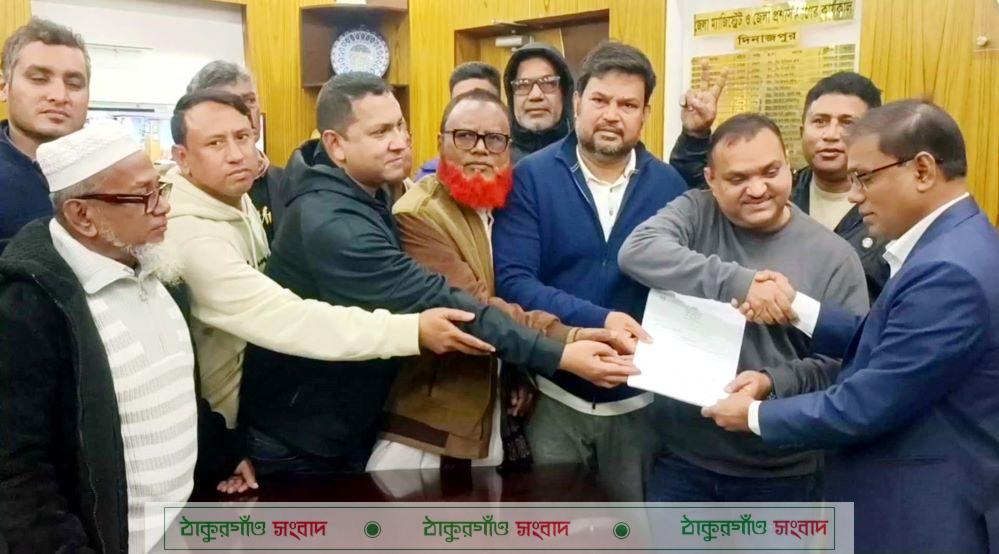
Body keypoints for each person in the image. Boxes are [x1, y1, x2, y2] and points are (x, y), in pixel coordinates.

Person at [238, 72, 636, 477]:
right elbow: (460, 306)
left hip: (350, 420)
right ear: (336, 145)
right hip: (306, 434)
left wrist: (526, 367)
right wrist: (564, 349)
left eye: (399, 126)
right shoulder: (356, 220)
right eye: (380, 132)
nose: (398, 142)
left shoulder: (380, 193)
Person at [703, 100, 999, 553]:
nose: (855, 196)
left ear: (922, 170)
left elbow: (866, 405)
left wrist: (754, 416)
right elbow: (891, 340)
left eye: (864, 177)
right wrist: (797, 308)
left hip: (922, 517)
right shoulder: (957, 244)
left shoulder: (948, 271)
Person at [163, 89, 493, 428]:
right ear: (182, 157)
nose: (236, 155)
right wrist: (411, 330)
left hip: (255, 408)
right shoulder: (192, 236)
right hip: (219, 425)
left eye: (243, 136)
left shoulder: (233, 198)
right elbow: (288, 318)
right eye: (215, 143)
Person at [0, 120, 247, 553]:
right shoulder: (29, 305)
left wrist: (224, 455)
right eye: (143, 196)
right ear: (82, 215)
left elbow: (174, 393)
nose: (163, 207)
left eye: (161, 188)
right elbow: (18, 469)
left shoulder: (159, 268)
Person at [370, 89, 626, 472]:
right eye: (465, 136)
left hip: (489, 421)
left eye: (494, 139)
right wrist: (568, 341)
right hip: (428, 428)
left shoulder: (500, 209)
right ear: (440, 142)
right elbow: (475, 311)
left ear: (508, 150)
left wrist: (520, 372)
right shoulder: (419, 214)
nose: (480, 149)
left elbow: (512, 293)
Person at [619, 112, 868, 501]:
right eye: (738, 179)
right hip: (682, 461)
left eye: (771, 172)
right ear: (711, 180)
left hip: (782, 473)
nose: (757, 189)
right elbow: (636, 252)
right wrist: (740, 283)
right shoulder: (697, 212)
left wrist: (772, 382)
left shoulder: (834, 256)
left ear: (788, 164)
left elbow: (848, 361)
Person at [492, 41, 693, 501]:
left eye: (628, 105)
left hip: (640, 403)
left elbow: (682, 291)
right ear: (578, 102)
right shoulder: (531, 177)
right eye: (600, 100)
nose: (612, 115)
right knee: (552, 528)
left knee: (636, 531)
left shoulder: (669, 186)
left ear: (645, 114)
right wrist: (599, 321)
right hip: (553, 396)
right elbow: (515, 282)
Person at [678, 71, 890, 301]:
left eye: (848, 123)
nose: (830, 134)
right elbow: (704, 181)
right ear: (802, 131)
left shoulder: (892, 209)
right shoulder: (773, 192)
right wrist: (695, 135)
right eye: (820, 121)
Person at [0, 17, 89, 253]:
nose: (59, 96)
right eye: (39, 79)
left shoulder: (110, 173)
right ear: (4, 88)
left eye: (74, 84)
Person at [185, 60, 284, 243]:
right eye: (231, 103)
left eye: (250, 100)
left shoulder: (288, 182)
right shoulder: (182, 197)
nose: (246, 112)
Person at [414, 61, 501, 181]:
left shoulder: (520, 176)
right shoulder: (428, 180)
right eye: (461, 102)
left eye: (481, 100)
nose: (471, 109)